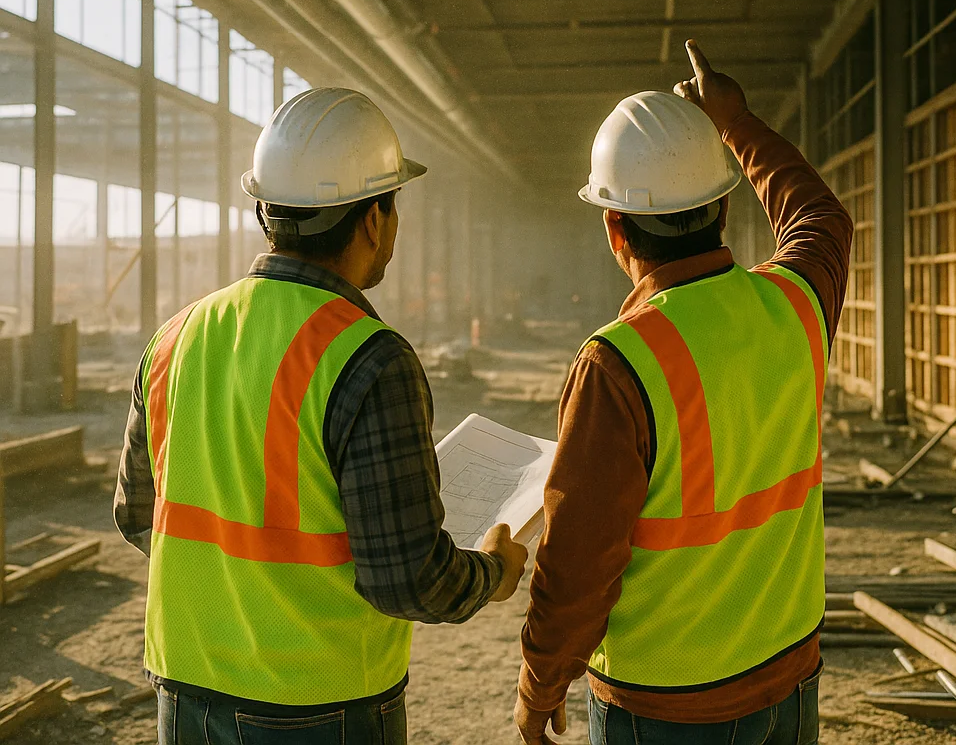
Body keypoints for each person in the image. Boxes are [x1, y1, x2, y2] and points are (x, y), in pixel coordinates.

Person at [114, 87, 528, 745]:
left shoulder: (176, 336)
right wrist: (494, 573)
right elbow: (408, 581)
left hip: (184, 693)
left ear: (263, 210)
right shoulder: (370, 358)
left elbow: (139, 515)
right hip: (320, 707)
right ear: (374, 220)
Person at [514, 41, 852, 745]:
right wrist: (736, 122)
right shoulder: (795, 305)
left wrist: (541, 680)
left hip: (664, 706)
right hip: (789, 673)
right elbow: (820, 218)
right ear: (723, 208)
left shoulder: (617, 363)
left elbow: (578, 565)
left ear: (614, 226)